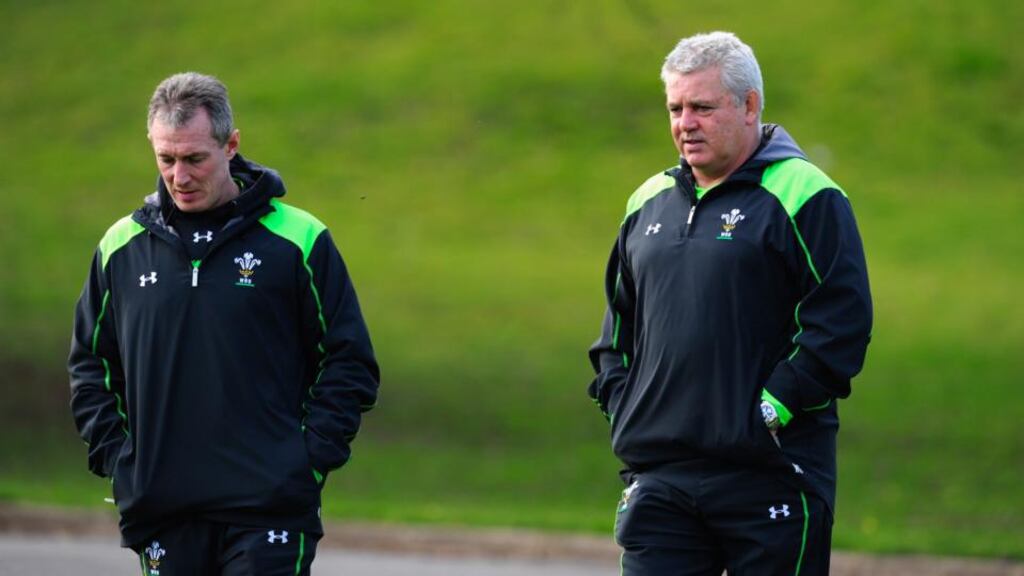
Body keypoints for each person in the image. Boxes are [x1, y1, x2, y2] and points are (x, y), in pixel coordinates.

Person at [68, 72, 380, 575]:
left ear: (231, 145)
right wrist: (123, 463)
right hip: (164, 511)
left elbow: (349, 362)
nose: (179, 176)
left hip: (269, 511)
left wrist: (305, 462)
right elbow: (91, 368)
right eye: (165, 159)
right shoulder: (119, 248)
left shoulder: (299, 239)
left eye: (194, 159)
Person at [588, 32, 872, 575]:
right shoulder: (646, 202)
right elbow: (616, 336)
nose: (684, 124)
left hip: (770, 473)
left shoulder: (806, 194)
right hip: (661, 478)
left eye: (701, 107)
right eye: (675, 108)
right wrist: (627, 409)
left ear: (749, 106)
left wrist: (770, 411)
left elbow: (841, 324)